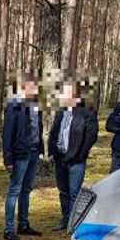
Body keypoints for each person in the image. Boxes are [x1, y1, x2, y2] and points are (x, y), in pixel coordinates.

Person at [48, 78, 98, 231]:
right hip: (60, 157)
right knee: (63, 191)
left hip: (76, 160)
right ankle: (65, 221)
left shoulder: (86, 111)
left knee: (74, 193)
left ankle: (74, 224)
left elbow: (92, 134)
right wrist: (51, 152)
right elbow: (54, 132)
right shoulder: (61, 111)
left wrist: (81, 154)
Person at [1, 74, 43, 240]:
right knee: (15, 191)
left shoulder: (35, 105)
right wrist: (8, 160)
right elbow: (7, 134)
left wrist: (40, 149)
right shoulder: (14, 105)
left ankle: (23, 224)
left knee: (26, 190)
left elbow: (37, 128)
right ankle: (8, 228)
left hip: (33, 152)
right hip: (19, 155)